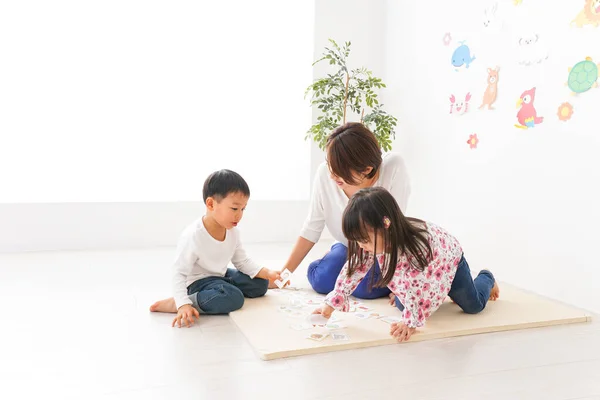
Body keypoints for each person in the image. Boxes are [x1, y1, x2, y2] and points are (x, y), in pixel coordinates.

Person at [313, 186, 500, 342]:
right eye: (357, 241)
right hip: (425, 272)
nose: (361, 246)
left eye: (364, 240)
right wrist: (331, 303)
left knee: (473, 306)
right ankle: (413, 297)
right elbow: (354, 270)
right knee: (406, 306)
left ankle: (486, 277)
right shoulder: (375, 241)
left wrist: (410, 324)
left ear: (385, 225)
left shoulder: (416, 251)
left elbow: (428, 286)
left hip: (449, 261)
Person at [280, 122, 411, 299]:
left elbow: (394, 228)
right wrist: (283, 276)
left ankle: (341, 261)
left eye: (340, 170)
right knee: (321, 280)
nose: (332, 175)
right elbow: (312, 227)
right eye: (330, 164)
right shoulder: (325, 174)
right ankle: (335, 255)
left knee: (365, 289)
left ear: (367, 169)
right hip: (345, 245)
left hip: (380, 248)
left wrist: (401, 285)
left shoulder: (393, 167)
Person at [150, 169, 281, 328]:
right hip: (198, 282)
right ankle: (181, 301)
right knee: (234, 298)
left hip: (221, 275)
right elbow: (179, 272)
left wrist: (267, 273)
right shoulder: (193, 236)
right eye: (234, 209)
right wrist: (182, 304)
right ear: (211, 204)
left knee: (260, 284)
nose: (239, 215)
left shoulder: (233, 231)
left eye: (243, 209)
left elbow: (242, 261)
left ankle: (223, 289)